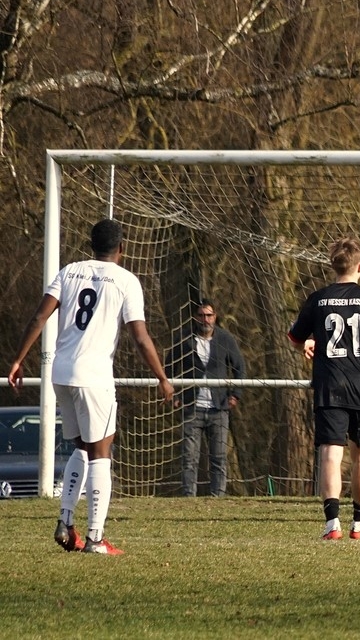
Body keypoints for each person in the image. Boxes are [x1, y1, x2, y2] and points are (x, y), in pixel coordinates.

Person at [7, 219, 174, 554]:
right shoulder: (126, 280)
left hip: (61, 372)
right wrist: (162, 377)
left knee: (81, 448)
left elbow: (39, 317)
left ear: (91, 246)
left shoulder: (69, 271)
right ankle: (96, 539)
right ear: (122, 248)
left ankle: (66, 522)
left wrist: (18, 359)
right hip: (94, 376)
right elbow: (140, 337)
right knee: (101, 453)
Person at [288, 236, 360, 541]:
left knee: (330, 453)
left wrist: (306, 343)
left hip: (329, 385)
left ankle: (332, 523)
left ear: (332, 266)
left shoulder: (317, 299)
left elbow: (295, 337)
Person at [166, 299, 246, 497]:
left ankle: (218, 496)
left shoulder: (225, 339)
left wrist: (235, 395)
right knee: (189, 457)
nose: (205, 319)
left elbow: (239, 368)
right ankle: (188, 497)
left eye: (209, 315)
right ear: (195, 317)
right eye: (201, 315)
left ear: (215, 317)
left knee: (219, 457)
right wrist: (173, 395)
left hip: (219, 408)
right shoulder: (183, 338)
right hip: (191, 407)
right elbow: (169, 368)